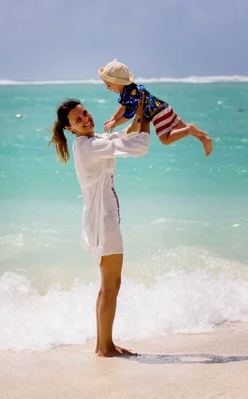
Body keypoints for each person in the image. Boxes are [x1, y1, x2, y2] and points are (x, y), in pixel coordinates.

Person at [49, 95, 150, 357]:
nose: (85, 119)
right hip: (103, 221)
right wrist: (146, 117)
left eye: (85, 113)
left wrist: (137, 114)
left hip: (102, 218)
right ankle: (105, 347)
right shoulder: (88, 147)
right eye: (77, 119)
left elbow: (122, 136)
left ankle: (103, 344)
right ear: (69, 128)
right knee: (111, 284)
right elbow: (139, 146)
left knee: (110, 284)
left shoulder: (91, 142)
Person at [99, 58, 213, 157]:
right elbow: (124, 106)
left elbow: (128, 115)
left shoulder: (131, 95)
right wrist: (114, 117)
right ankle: (204, 138)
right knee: (181, 127)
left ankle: (189, 129)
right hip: (164, 107)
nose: (108, 88)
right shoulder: (128, 90)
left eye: (109, 85)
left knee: (165, 139)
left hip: (158, 114)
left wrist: (116, 123)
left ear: (118, 82)